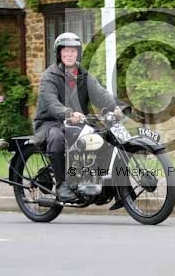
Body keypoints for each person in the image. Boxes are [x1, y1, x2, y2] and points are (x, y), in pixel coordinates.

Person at [33, 32, 125, 202]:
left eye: (73, 51)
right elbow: (51, 102)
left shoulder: (83, 75)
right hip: (50, 123)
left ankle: (99, 182)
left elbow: (100, 94)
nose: (69, 54)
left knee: (102, 136)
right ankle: (62, 185)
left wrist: (117, 107)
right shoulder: (50, 76)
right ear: (59, 53)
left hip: (78, 121)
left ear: (78, 53)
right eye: (66, 51)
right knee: (56, 137)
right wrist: (68, 113)